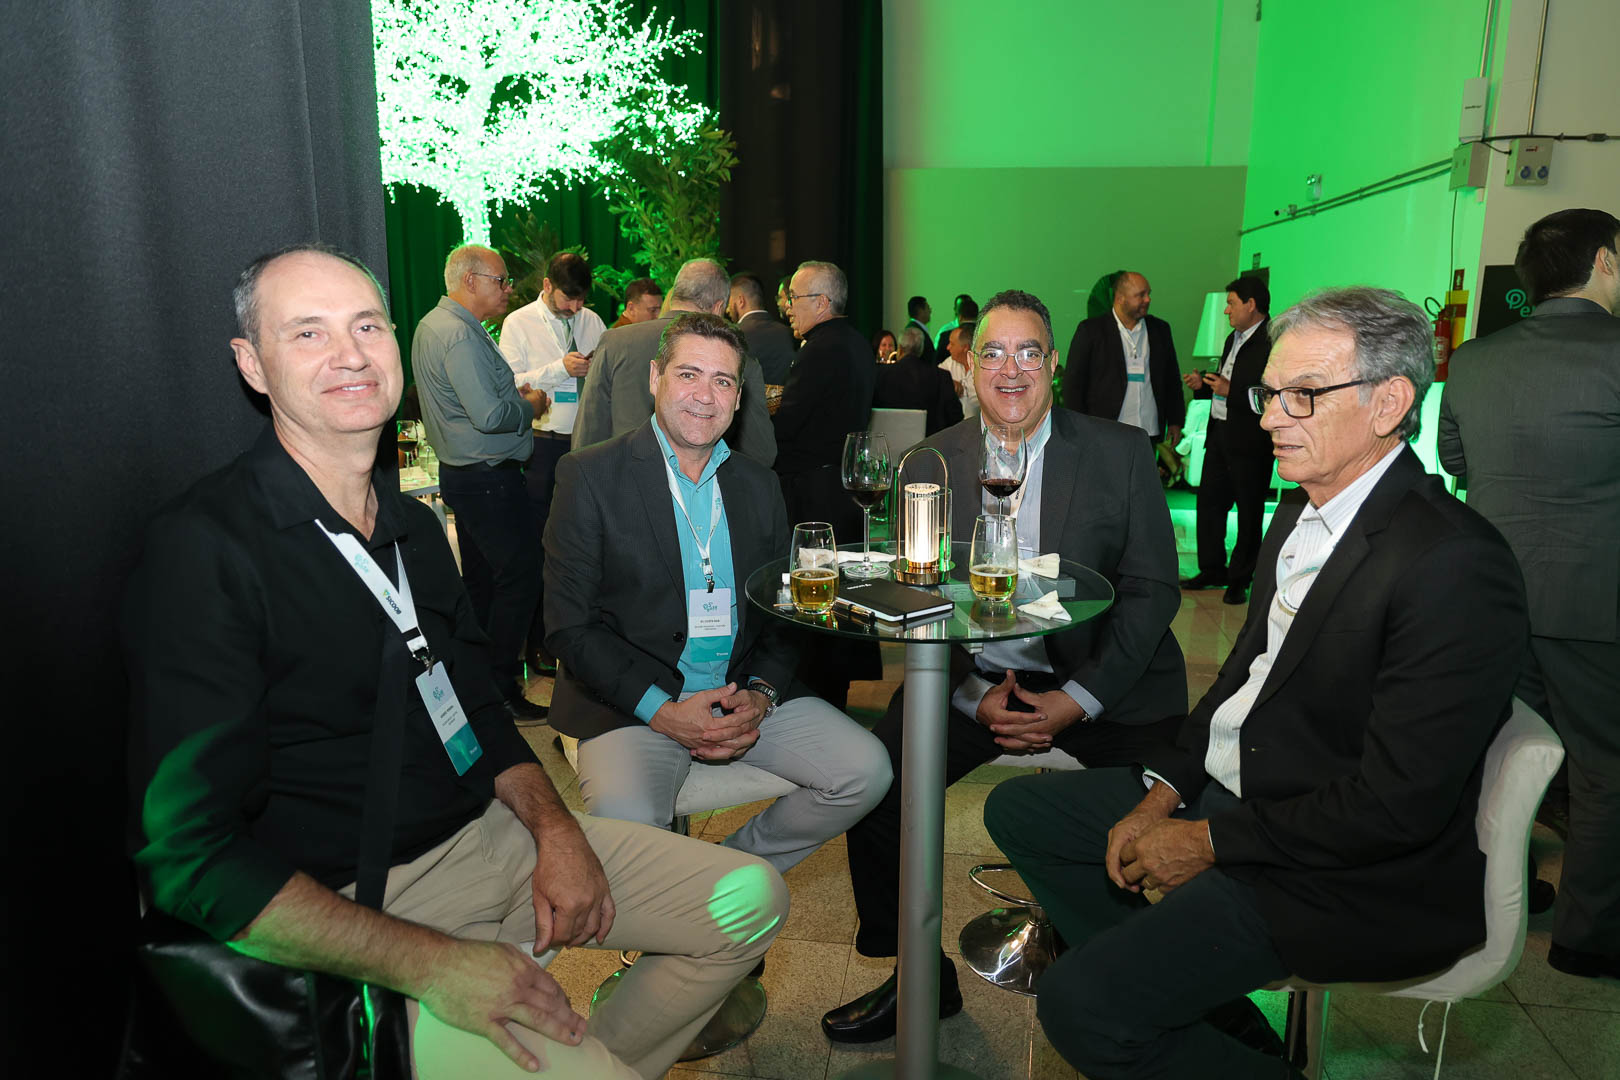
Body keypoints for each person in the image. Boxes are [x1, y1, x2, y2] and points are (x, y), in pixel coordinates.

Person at [125, 245, 789, 1080]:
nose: (350, 354)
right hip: (364, 904)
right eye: (308, 333)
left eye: (367, 326)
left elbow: (477, 706)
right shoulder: (206, 547)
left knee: (752, 900)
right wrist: (433, 963)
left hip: (495, 836)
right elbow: (189, 859)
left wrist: (556, 829)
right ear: (252, 365)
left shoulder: (410, 530)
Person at [986, 286, 1529, 1079]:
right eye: (1268, 394)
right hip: (1244, 798)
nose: (1270, 417)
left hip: (1337, 868)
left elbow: (1395, 806)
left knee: (1081, 1007)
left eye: (1301, 395)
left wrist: (1206, 842)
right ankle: (1215, 1012)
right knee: (1023, 811)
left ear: (1389, 403)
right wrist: (1160, 796)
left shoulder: (1454, 562)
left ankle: (1163, 1002)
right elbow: (1239, 683)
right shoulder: (1297, 510)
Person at [824, 290, 1188, 1044]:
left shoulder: (1119, 453)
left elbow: (1153, 592)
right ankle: (918, 976)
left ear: (1053, 364)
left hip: (1104, 680)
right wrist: (968, 694)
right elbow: (914, 592)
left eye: (1028, 353)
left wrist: (1079, 699)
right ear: (969, 365)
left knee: (1166, 800)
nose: (1011, 370)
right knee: (875, 783)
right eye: (992, 352)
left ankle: (1121, 970)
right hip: (975, 678)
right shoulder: (931, 461)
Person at [545, 312, 892, 873]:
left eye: (723, 381)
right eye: (688, 375)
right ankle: (687, 902)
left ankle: (731, 874)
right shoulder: (589, 475)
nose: (705, 396)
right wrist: (662, 712)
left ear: (739, 398)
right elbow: (569, 627)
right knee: (628, 837)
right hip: (631, 701)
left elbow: (782, 612)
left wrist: (761, 693)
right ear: (655, 377)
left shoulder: (759, 485)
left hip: (740, 689)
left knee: (866, 771)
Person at [1440, 207, 1620, 981]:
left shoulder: (1477, 360)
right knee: (1604, 771)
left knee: (1496, 754)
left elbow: (1455, 461)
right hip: (1595, 605)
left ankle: (1491, 898)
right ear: (1605, 261)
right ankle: (1590, 936)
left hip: (1493, 598)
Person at [411, 244, 547, 722]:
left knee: (484, 584)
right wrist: (530, 406)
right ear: (470, 281)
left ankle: (480, 685)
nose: (508, 289)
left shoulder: (435, 324)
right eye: (501, 280)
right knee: (520, 577)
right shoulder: (458, 335)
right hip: (488, 478)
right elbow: (489, 416)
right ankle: (500, 685)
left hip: (467, 475)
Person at [497, 252, 606, 675]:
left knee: (582, 543)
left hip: (585, 443)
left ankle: (578, 634)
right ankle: (537, 642)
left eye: (580, 299)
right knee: (542, 542)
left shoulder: (592, 321)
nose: (574, 307)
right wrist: (558, 369)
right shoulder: (518, 323)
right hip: (542, 442)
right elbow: (510, 382)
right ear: (546, 286)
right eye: (567, 297)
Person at [572, 258, 776, 467]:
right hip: (701, 481)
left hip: (618, 477)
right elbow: (762, 452)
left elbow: (588, 434)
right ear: (718, 308)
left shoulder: (615, 342)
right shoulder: (737, 360)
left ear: (674, 296)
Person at [1180, 277, 1274, 605]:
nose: (1226, 310)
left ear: (1251, 304)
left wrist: (1229, 390)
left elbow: (1268, 394)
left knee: (1248, 512)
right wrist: (1203, 387)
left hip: (1251, 443)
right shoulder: (1233, 338)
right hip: (1220, 435)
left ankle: (1240, 579)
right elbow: (1225, 385)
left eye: (1232, 303)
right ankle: (1212, 570)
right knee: (1209, 504)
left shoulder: (1272, 341)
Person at [774, 259, 877, 538]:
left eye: (793, 297)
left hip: (814, 494)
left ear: (821, 303)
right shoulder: (858, 342)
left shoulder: (818, 349)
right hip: (847, 484)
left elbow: (788, 425)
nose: (788, 307)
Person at [1063, 270, 1185, 450]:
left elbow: (1172, 379)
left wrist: (1175, 420)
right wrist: (1077, 427)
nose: (1148, 300)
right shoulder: (1091, 331)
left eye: (1148, 294)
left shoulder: (1160, 330)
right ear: (1120, 298)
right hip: (1104, 430)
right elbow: (1073, 384)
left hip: (1148, 430)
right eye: (1140, 295)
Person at [872, 324, 963, 434]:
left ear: (900, 348)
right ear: (921, 349)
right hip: (931, 442)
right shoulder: (941, 376)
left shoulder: (880, 375)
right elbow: (956, 416)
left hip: (889, 440)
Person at [728, 271, 797, 385]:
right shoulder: (790, 333)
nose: (727, 310)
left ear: (741, 301)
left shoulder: (733, 336)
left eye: (729, 303)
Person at [938, 321, 979, 419]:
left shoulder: (985, 368)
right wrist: (948, 382)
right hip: (954, 424)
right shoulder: (950, 363)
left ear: (965, 348)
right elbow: (932, 379)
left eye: (952, 344)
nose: (948, 347)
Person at [932, 293, 978, 361]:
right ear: (977, 316)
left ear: (959, 316)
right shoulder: (985, 335)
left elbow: (937, 361)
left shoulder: (945, 336)